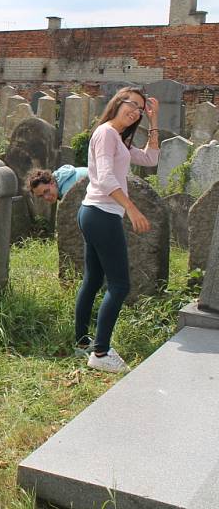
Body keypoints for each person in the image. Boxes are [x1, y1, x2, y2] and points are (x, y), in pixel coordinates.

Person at [75, 87, 159, 373]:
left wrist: (154, 121)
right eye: (131, 104)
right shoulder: (106, 133)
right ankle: (100, 353)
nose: (135, 110)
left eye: (140, 108)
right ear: (117, 102)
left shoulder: (119, 138)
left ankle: (83, 342)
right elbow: (107, 178)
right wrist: (133, 209)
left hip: (96, 213)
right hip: (102, 214)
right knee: (120, 285)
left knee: (94, 279)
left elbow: (150, 159)